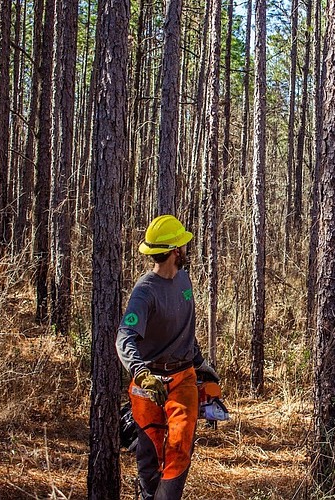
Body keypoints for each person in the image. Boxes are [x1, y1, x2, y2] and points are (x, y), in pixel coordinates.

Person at [116, 214, 219, 500]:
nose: (187, 249)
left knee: (180, 446)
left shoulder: (183, 280)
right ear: (176, 251)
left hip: (183, 376)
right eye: (183, 246)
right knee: (148, 451)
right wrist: (142, 373)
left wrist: (200, 365)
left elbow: (183, 329)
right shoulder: (144, 293)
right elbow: (124, 337)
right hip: (148, 382)